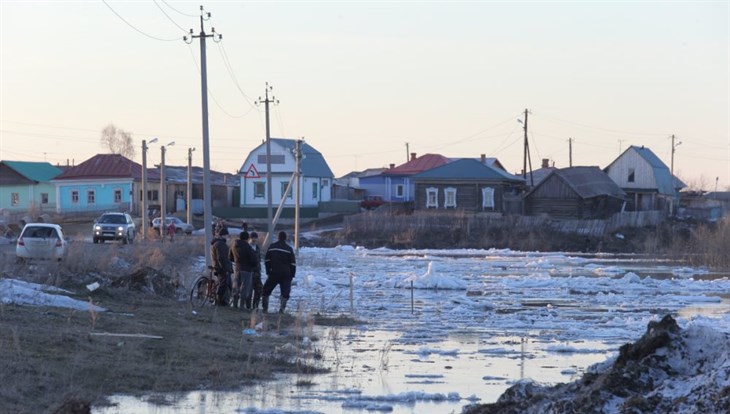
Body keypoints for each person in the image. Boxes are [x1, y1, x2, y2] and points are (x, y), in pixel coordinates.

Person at [262, 231, 296, 314]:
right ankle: (281, 310)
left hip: (274, 273)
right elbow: (293, 263)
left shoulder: (272, 247)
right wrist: (292, 274)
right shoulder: (289, 249)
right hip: (286, 274)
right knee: (285, 293)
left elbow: (267, 260)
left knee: (265, 291)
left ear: (278, 237)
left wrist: (268, 271)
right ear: (285, 238)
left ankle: (265, 309)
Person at [229, 231, 258, 310]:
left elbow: (230, 257)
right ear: (247, 238)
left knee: (236, 286)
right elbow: (254, 260)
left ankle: (234, 305)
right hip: (247, 270)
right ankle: (241, 306)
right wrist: (253, 266)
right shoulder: (247, 247)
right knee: (244, 288)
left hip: (237, 268)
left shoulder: (234, 245)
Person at [210, 227, 233, 306]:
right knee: (223, 284)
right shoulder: (221, 244)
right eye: (227, 235)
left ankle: (223, 301)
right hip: (222, 268)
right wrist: (225, 269)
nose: (228, 237)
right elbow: (222, 258)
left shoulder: (217, 243)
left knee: (226, 284)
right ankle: (219, 301)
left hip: (218, 266)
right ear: (224, 235)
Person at [249, 231, 263, 310]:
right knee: (249, 290)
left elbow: (259, 259)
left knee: (259, 289)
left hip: (257, 272)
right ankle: (247, 306)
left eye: (255, 238)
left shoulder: (257, 248)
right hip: (249, 271)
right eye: (252, 238)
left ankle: (255, 306)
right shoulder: (247, 247)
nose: (254, 240)